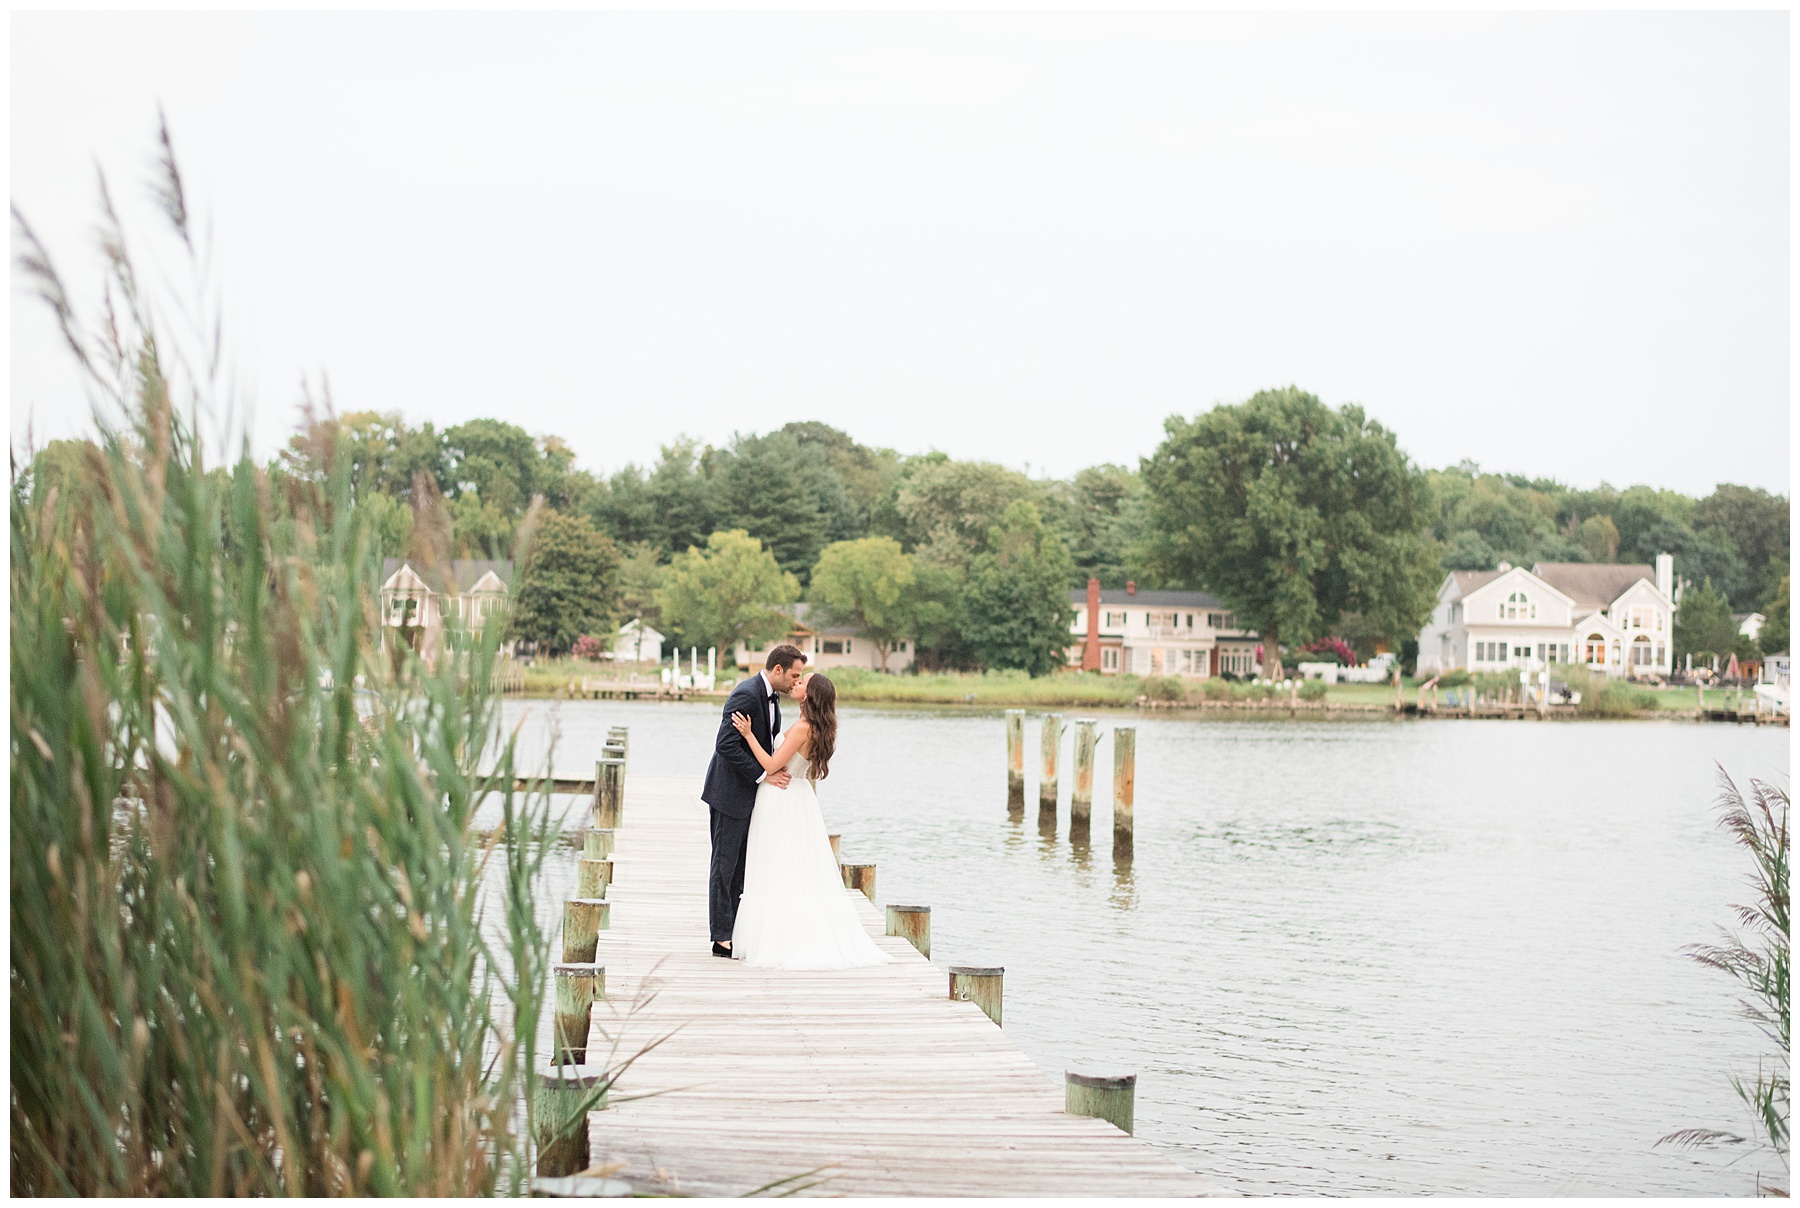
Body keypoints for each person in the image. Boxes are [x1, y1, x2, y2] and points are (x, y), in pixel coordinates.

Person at [728, 671, 890, 969]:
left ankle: (779, 939)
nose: (796, 683)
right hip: (798, 795)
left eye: (802, 682)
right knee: (791, 866)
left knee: (777, 865)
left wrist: (749, 735)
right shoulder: (816, 727)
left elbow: (772, 764)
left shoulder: (804, 728)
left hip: (781, 796)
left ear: (809, 694)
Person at [702, 645, 806, 957]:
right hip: (730, 792)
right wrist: (763, 775)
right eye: (794, 675)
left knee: (741, 869)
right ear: (778, 670)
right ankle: (721, 938)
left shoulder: (773, 699)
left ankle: (735, 931)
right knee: (724, 866)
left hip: (751, 797)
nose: (795, 682)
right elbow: (725, 745)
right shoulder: (746, 694)